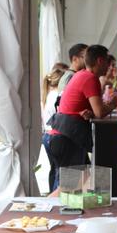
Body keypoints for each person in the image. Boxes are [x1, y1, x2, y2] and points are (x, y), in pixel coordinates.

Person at [48, 44, 117, 171]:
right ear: (100, 61)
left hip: (63, 136)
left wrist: (91, 113)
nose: (109, 66)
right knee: (71, 186)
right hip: (66, 139)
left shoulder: (82, 74)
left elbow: (91, 110)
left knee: (80, 180)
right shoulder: (90, 78)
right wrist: (114, 103)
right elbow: (100, 112)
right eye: (107, 62)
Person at [41, 62, 68, 192]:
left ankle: (52, 194)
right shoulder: (58, 95)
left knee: (54, 170)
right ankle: (56, 199)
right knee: (61, 173)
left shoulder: (48, 94)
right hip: (57, 136)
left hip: (47, 135)